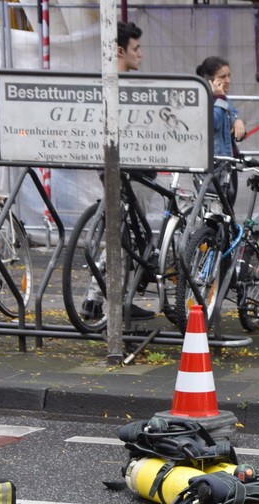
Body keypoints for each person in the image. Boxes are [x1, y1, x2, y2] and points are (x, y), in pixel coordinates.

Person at [81, 20, 154, 321]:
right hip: (133, 167)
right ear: (120, 51)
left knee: (122, 230)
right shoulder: (124, 88)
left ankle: (103, 298)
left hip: (117, 164)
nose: (141, 55)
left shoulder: (106, 84)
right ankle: (101, 298)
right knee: (124, 233)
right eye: (136, 49)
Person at [196, 56, 246, 207]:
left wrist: (238, 121)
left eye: (229, 75)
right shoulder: (204, 99)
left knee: (228, 212)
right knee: (214, 212)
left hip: (228, 163)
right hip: (214, 165)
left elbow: (234, 122)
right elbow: (213, 124)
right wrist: (219, 97)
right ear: (210, 80)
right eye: (223, 77)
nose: (228, 80)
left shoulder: (224, 99)